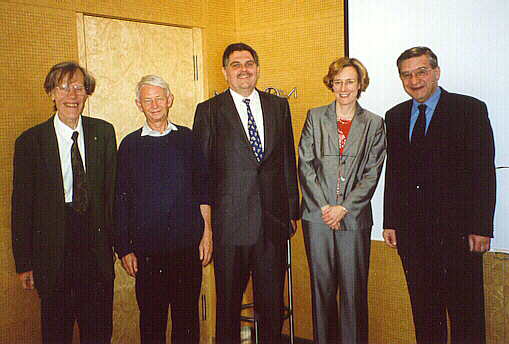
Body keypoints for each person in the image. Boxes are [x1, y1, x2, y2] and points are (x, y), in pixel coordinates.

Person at [383, 46, 496, 344]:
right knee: (424, 314)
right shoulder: (393, 116)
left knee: (466, 316)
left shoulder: (469, 109)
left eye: (421, 71)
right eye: (406, 75)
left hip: (458, 234)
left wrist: (482, 227)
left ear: (436, 72)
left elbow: (483, 171)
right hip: (413, 235)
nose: (414, 80)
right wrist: (390, 220)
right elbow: (394, 171)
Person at [193, 43, 300, 344]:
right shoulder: (209, 111)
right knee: (228, 307)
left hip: (272, 225)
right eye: (236, 64)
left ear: (257, 68)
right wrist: (207, 227)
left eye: (249, 63)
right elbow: (200, 175)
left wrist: (291, 213)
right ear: (225, 72)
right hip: (229, 227)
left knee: (272, 307)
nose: (244, 69)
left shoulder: (278, 106)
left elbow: (286, 162)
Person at [11, 62, 116, 344]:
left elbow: (111, 196)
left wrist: (118, 245)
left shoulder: (103, 133)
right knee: (57, 334)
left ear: (86, 94)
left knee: (98, 333)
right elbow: (21, 206)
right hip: (52, 252)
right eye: (64, 87)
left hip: (94, 249)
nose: (72, 94)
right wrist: (24, 263)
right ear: (52, 94)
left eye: (78, 87)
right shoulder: (30, 142)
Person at [114, 75, 212, 344]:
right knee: (152, 324)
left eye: (159, 98)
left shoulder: (189, 139)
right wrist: (124, 248)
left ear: (169, 100)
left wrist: (207, 234)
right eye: (148, 100)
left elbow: (203, 188)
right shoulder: (130, 145)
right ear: (138, 104)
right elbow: (120, 200)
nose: (155, 104)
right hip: (147, 253)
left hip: (186, 249)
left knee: (187, 321)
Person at [298, 57, 386, 344]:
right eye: (337, 82)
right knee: (321, 290)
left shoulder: (374, 123)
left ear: (360, 84)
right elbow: (305, 164)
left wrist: (343, 208)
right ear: (331, 84)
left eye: (349, 81)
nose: (343, 87)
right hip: (317, 217)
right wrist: (326, 207)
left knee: (353, 293)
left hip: (353, 217)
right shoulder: (314, 116)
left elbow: (372, 173)